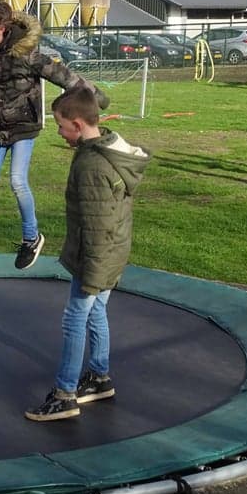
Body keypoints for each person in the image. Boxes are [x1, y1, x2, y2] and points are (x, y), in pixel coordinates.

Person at [25, 87, 151, 421]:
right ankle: (99, 377)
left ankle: (65, 394)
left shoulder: (93, 166)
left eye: (61, 125)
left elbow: (98, 225)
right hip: (112, 250)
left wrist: (92, 276)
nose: (59, 132)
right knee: (96, 314)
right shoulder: (108, 146)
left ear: (79, 125)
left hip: (97, 255)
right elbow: (96, 99)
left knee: (75, 318)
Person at [0, 1, 109, 269]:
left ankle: (31, 237)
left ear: (2, 29)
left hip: (23, 127)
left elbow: (65, 77)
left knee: (17, 181)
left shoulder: (26, 54)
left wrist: (97, 97)